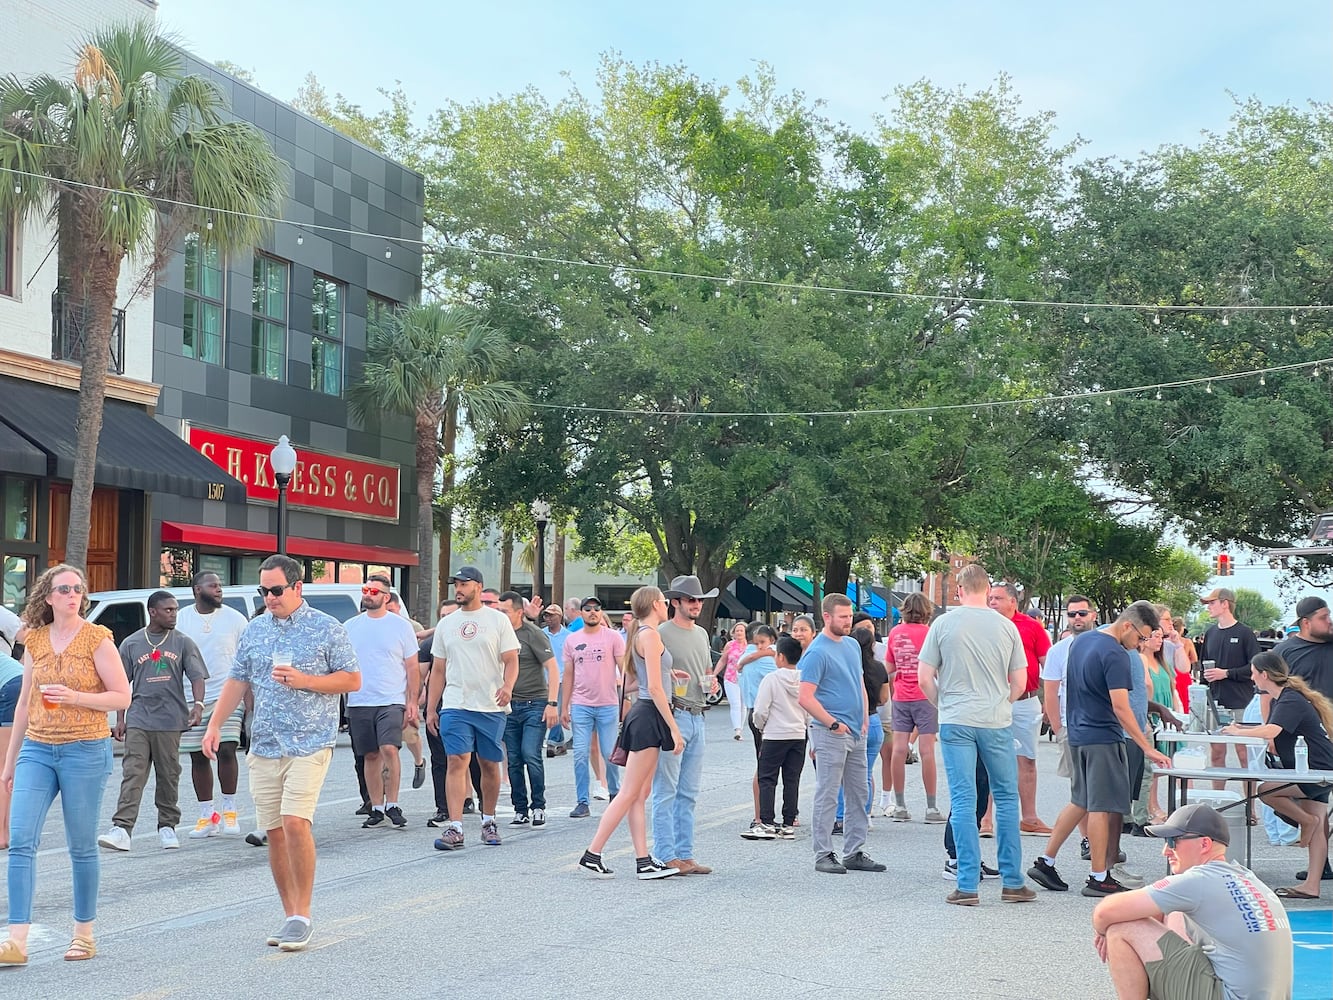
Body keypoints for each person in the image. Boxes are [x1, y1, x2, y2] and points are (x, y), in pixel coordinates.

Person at [202, 554, 361, 952]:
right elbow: (237, 681)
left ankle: (303, 915)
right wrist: (215, 725)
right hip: (265, 743)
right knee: (273, 830)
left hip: (310, 741)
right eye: (264, 591)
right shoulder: (255, 629)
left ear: (297, 587)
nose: (269, 597)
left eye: (276, 590)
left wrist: (307, 681)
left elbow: (352, 679)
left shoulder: (327, 627)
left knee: (294, 822)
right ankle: (290, 914)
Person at [0, 564, 131, 967]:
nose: (73, 595)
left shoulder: (97, 638)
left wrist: (76, 698)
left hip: (85, 749)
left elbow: (122, 696)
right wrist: (10, 763)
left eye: (77, 589)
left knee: (81, 845)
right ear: (49, 597)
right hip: (38, 748)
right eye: (64, 589)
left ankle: (84, 934)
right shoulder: (36, 640)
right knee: (21, 840)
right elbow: (24, 704)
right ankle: (16, 940)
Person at [1028, 602, 1171, 898]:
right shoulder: (1116, 654)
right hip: (1102, 736)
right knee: (1100, 806)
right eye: (1141, 637)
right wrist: (1147, 747)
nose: (1140, 644)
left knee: (1080, 800)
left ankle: (1046, 861)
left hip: (1078, 733)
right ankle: (1098, 876)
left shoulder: (1081, 641)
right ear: (1128, 625)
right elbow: (1121, 706)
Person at [917, 563, 1034, 904]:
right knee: (1006, 797)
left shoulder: (943, 624)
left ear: (959, 590)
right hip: (995, 719)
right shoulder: (1007, 627)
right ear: (987, 590)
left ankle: (967, 884)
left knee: (963, 800)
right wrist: (1002, 702)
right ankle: (1012, 881)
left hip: (956, 718)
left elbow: (924, 677)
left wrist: (944, 704)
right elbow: (1020, 681)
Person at [1092, 803, 1292, 1000]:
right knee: (1174, 909)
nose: (1165, 851)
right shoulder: (1246, 878)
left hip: (1228, 995)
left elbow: (1105, 912)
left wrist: (1103, 932)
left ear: (1204, 844)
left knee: (1121, 928)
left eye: (1173, 841)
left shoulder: (1199, 880)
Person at [579, 587, 682, 880]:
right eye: (664, 602)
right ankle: (592, 853)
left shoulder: (642, 634)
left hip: (647, 713)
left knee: (638, 793)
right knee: (628, 793)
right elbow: (655, 689)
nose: (667, 606)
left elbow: (644, 681)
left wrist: (670, 675)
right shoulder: (649, 635)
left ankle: (643, 860)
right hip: (650, 715)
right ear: (655, 604)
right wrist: (674, 729)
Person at [98, 591, 207, 852]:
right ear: (153, 612)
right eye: (168, 610)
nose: (173, 614)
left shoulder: (183, 642)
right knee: (133, 772)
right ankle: (122, 828)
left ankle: (167, 826)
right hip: (139, 718)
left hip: (169, 720)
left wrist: (198, 705)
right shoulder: (132, 643)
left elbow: (197, 676)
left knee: (168, 774)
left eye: (175, 609)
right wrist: (120, 718)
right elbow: (121, 684)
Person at [1221, 650, 1333, 899]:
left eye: (1253, 673)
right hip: (1319, 766)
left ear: (1264, 675)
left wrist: (1238, 733)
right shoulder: (1286, 698)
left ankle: (1305, 821)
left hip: (1315, 768)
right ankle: (1312, 886)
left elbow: (1272, 730)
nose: (1251, 678)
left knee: (1266, 791)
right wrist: (1242, 727)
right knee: (1318, 823)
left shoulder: (1289, 699)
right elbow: (1273, 728)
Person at [425, 566, 519, 850]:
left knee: (488, 763)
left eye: (464, 584)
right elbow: (438, 670)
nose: (459, 589)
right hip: (456, 703)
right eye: (456, 584)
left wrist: (507, 686)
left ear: (478, 586)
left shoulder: (497, 620)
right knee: (457, 760)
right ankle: (455, 827)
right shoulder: (447, 624)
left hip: (490, 704)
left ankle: (488, 821)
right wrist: (431, 708)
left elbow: (511, 659)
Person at [798, 594, 885, 875]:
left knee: (859, 792)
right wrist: (832, 723)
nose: (848, 622)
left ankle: (854, 851)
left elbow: (858, 681)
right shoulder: (817, 652)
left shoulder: (851, 645)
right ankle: (823, 853)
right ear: (827, 617)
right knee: (828, 793)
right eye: (843, 617)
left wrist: (864, 717)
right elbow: (805, 696)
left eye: (849, 616)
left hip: (856, 730)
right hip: (830, 732)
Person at [175, 572, 250, 840]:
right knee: (198, 755)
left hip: (226, 695)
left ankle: (230, 811)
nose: (219, 589)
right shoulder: (181, 619)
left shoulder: (235, 619)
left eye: (220, 585)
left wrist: (249, 702)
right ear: (197, 589)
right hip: (190, 697)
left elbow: (247, 661)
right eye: (213, 585)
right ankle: (207, 816)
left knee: (227, 748)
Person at [653, 575, 719, 875]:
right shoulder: (660, 633)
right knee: (666, 790)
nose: (697, 605)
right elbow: (648, 674)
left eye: (699, 600)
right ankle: (665, 855)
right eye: (691, 600)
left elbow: (706, 670)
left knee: (689, 792)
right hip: (675, 714)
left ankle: (685, 855)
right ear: (675, 602)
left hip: (698, 713)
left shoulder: (702, 634)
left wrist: (711, 682)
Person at [343, 574, 420, 830]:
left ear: (386, 597)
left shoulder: (401, 626)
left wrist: (412, 701)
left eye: (374, 591)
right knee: (370, 754)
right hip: (359, 700)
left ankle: (393, 804)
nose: (368, 594)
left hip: (391, 699)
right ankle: (376, 806)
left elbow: (412, 666)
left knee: (389, 748)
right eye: (365, 590)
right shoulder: (350, 626)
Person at [986, 583, 1053, 836]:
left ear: (1013, 601)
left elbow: (1048, 665)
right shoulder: (983, 625)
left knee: (1027, 759)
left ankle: (1030, 817)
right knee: (988, 759)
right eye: (990, 598)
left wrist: (1049, 699)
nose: (992, 602)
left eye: (998, 598)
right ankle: (985, 817)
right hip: (992, 700)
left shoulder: (1031, 626)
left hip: (1025, 700)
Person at [498, 590, 559, 828]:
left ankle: (538, 806)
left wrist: (552, 704)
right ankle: (520, 809)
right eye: (499, 611)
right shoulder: (497, 633)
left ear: (519, 612)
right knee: (513, 759)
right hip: (508, 705)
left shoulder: (532, 634)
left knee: (530, 754)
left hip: (534, 703)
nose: (501, 615)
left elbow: (552, 668)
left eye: (505, 611)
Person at [561, 596, 625, 818]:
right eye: (587, 609)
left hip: (607, 703)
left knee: (609, 753)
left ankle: (615, 793)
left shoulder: (613, 637)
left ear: (601, 612)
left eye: (596, 609)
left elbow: (624, 669)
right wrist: (564, 707)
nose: (592, 612)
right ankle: (582, 801)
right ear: (581, 613)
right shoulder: (572, 640)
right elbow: (568, 674)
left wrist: (628, 698)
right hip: (581, 704)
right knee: (580, 753)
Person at [886, 593, 943, 823]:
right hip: (925, 696)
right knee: (927, 751)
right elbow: (938, 667)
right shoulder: (931, 633)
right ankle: (931, 808)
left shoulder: (895, 633)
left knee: (899, 749)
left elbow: (889, 667)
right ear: (927, 611)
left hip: (901, 695)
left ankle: (900, 805)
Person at [1200, 587, 1260, 781]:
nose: (1208, 607)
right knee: (1217, 754)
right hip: (1215, 704)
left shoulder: (1245, 633)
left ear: (1225, 604)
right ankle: (1217, 798)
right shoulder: (1210, 633)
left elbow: (1255, 667)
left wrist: (1226, 673)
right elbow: (1203, 665)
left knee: (1244, 754)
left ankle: (1250, 799)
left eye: (1212, 603)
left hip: (1241, 703)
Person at [751, 635, 808, 837]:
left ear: (781, 657)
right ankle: (788, 823)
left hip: (774, 734)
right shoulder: (804, 678)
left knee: (767, 778)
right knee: (792, 780)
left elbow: (760, 710)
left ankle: (766, 821)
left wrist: (760, 726)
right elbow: (809, 707)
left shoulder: (772, 679)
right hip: (798, 734)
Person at [836, 618, 889, 833]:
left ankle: (841, 816)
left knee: (843, 774)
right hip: (874, 720)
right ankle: (864, 815)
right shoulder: (879, 668)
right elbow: (884, 699)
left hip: (851, 720)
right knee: (865, 773)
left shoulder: (846, 667)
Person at [738, 623, 779, 840]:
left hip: (752, 711)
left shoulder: (745, 657)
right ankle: (761, 816)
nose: (762, 646)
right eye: (760, 642)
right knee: (766, 767)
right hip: (768, 715)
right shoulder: (768, 660)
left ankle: (761, 815)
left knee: (763, 764)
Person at [385, 589, 427, 790]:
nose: (389, 614)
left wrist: (418, 691)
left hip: (406, 688)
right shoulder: (377, 625)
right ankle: (383, 792)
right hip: (385, 691)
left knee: (410, 734)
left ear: (399, 608)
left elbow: (421, 662)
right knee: (386, 744)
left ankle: (419, 761)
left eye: (392, 610)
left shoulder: (411, 627)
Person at [1274, 596, 1333, 701]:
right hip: (1302, 711)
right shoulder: (1283, 652)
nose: (1329, 621)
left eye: (1329, 616)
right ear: (1306, 623)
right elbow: (1267, 693)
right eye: (1323, 618)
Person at [0, 649, 24, 850]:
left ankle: (2, 834)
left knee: (3, 763)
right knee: (8, 762)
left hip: (10, 687)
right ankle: (5, 830)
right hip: (20, 682)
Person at [541, 603, 571, 755]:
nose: (548, 618)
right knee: (548, 710)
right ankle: (559, 741)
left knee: (556, 709)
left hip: (562, 678)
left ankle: (552, 742)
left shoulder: (569, 636)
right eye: (546, 615)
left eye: (552, 615)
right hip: (543, 679)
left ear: (559, 617)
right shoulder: (540, 634)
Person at [719, 621, 748, 740]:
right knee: (735, 703)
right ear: (733, 633)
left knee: (743, 705)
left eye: (741, 630)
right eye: (737, 631)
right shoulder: (730, 645)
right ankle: (737, 730)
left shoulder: (750, 646)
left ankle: (741, 728)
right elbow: (723, 660)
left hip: (745, 678)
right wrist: (714, 674)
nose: (739, 633)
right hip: (730, 677)